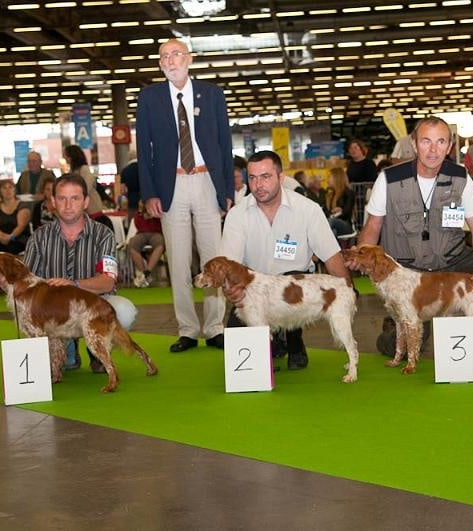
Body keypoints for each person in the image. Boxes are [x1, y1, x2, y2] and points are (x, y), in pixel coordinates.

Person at [351, 117, 473, 363]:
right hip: (409, 270)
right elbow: (373, 225)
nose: (433, 149)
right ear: (414, 144)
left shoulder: (460, 177)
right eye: (426, 141)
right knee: (403, 346)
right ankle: (393, 327)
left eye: (441, 141)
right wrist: (362, 252)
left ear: (450, 146)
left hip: (452, 260)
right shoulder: (389, 179)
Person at [136, 38, 233, 353]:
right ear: (160, 64)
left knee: (214, 258)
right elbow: (143, 149)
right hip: (171, 186)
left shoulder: (212, 94)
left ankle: (215, 327)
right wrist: (150, 193)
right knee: (177, 261)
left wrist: (226, 190)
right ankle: (188, 330)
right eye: (164, 56)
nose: (170, 60)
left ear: (189, 59)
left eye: (176, 54)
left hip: (207, 181)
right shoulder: (149, 98)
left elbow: (225, 144)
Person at [221, 151, 351, 370]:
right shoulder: (237, 214)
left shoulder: (308, 209)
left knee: (290, 282)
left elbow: (331, 255)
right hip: (254, 290)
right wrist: (231, 290)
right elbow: (228, 264)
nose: (258, 185)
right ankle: (276, 339)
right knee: (234, 341)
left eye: (265, 177)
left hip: (294, 291)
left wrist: (349, 288)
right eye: (252, 178)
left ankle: (293, 339)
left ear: (281, 178)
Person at [24, 173, 138, 372]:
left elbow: (108, 282)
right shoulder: (38, 238)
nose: (68, 205)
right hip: (57, 313)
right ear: (53, 202)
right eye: (62, 198)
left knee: (125, 311)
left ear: (85, 202)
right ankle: (66, 349)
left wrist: (74, 284)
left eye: (75, 198)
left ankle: (97, 348)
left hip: (95, 306)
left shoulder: (104, 234)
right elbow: (28, 285)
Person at [127, 202, 165, 288]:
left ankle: (148, 271)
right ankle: (143, 273)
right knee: (132, 244)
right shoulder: (139, 215)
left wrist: (153, 215)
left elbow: (161, 222)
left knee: (160, 244)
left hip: (156, 233)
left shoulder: (157, 212)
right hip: (141, 233)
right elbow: (137, 224)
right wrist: (143, 215)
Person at [0, 179, 31, 255]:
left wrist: (10, 237)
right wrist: (2, 236)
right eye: (4, 188)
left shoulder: (23, 205)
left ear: (14, 190)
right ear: (0, 191)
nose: (8, 190)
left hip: (19, 238)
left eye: (10, 187)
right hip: (2, 238)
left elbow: (21, 226)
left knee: (13, 248)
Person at [326, 166, 356, 236]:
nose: (327, 179)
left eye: (329, 177)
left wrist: (341, 211)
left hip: (346, 225)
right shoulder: (330, 195)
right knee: (333, 232)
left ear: (336, 178)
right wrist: (332, 212)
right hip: (334, 224)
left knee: (332, 221)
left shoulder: (349, 193)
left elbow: (347, 212)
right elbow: (326, 212)